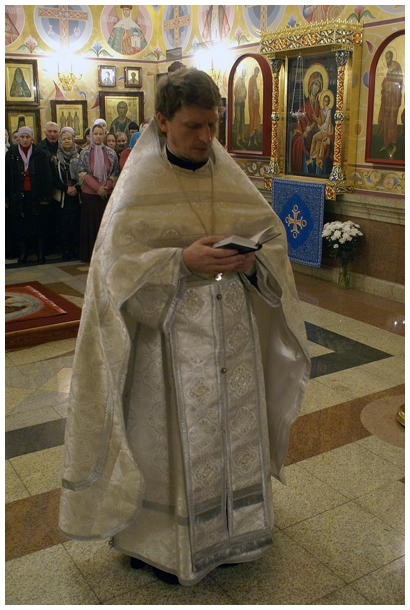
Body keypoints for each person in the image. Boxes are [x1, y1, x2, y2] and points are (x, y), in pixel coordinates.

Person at [59, 68, 310, 586]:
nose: (205, 137)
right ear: (162, 121)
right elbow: (112, 270)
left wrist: (253, 261)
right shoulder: (140, 181)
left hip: (232, 335)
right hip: (166, 341)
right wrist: (179, 261)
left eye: (212, 125)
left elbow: (271, 238)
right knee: (168, 443)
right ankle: (155, 542)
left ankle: (234, 533)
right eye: (193, 126)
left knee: (230, 433)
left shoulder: (227, 173)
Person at [5, 126, 52, 264]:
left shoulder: (40, 153)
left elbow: (47, 177)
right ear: (18, 138)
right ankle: (23, 254)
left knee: (39, 225)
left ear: (32, 138)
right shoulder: (11, 154)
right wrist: (5, 198)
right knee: (21, 226)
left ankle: (40, 253)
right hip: (18, 196)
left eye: (27, 137)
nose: (25, 140)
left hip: (36, 195)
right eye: (22, 137)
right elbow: (6, 177)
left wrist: (45, 196)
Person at [77, 123, 119, 262]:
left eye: (101, 134)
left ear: (104, 135)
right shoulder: (84, 153)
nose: (98, 136)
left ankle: (105, 255)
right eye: (95, 134)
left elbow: (114, 173)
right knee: (91, 226)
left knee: (105, 225)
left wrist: (105, 188)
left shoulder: (111, 153)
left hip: (106, 195)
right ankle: (90, 255)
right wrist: (97, 188)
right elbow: (82, 172)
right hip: (90, 195)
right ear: (91, 136)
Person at [50, 127, 82, 261]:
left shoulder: (80, 156)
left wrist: (76, 188)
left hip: (76, 196)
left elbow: (84, 174)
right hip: (62, 196)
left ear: (73, 140)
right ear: (60, 141)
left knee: (76, 224)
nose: (67, 141)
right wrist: (65, 188)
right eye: (64, 139)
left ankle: (75, 249)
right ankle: (66, 250)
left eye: (69, 138)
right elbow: (52, 178)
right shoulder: (55, 158)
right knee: (63, 225)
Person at [378, 50, 403, 157]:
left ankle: (394, 144)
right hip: (388, 100)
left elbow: (399, 82)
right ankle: (386, 143)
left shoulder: (396, 66)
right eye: (386, 58)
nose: (387, 60)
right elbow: (386, 82)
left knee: (392, 121)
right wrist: (385, 84)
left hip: (394, 100)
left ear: (392, 57)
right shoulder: (388, 69)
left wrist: (389, 83)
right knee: (387, 120)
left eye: (388, 58)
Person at [307, 92, 333, 169]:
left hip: (327, 131)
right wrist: (316, 119)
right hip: (322, 130)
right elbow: (321, 121)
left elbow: (327, 122)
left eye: (327, 101)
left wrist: (321, 127)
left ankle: (318, 161)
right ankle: (311, 157)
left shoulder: (328, 110)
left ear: (328, 102)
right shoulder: (322, 110)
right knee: (314, 137)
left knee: (321, 143)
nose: (325, 102)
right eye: (324, 101)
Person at [233, 67, 247, 147]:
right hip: (238, 103)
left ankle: (242, 138)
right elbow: (236, 91)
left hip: (242, 102)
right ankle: (236, 140)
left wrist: (244, 95)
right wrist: (240, 95)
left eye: (245, 72)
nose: (244, 74)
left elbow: (245, 91)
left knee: (242, 120)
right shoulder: (239, 80)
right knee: (238, 120)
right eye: (243, 72)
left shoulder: (243, 81)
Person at [248, 66, 261, 147]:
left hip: (255, 104)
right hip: (252, 104)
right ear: (254, 72)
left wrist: (256, 92)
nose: (257, 74)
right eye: (256, 72)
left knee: (256, 121)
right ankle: (250, 140)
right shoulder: (252, 79)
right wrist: (254, 92)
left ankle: (255, 140)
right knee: (252, 121)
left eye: (258, 73)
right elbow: (250, 92)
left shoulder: (254, 80)